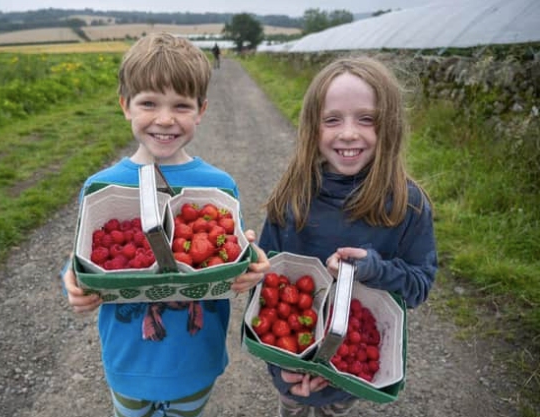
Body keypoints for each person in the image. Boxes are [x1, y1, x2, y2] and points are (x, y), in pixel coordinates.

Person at [60, 32, 269, 417]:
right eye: (149, 103)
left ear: (201, 110)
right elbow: (83, 255)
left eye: (181, 105)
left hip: (194, 362)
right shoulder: (100, 186)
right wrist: (73, 281)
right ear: (125, 105)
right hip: (127, 361)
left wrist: (251, 264)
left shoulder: (220, 185)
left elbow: (235, 248)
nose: (165, 119)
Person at [257, 55, 438, 417]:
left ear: (390, 126)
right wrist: (286, 363)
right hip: (291, 352)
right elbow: (264, 285)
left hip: (351, 363)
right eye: (332, 120)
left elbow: (418, 285)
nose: (349, 133)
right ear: (313, 126)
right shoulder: (293, 194)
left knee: (334, 407)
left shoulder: (408, 205)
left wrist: (374, 269)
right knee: (292, 404)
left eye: (366, 119)